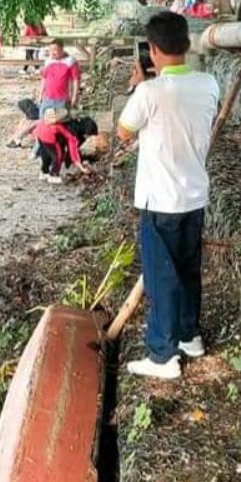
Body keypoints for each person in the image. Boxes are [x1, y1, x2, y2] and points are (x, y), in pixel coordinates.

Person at [117, 12, 219, 379]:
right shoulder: (208, 84)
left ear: (154, 50)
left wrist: (140, 85)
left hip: (161, 200)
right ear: (188, 45)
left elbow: (124, 132)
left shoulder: (148, 92)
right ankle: (190, 335)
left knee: (162, 277)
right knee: (189, 269)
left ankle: (163, 354)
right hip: (195, 196)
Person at [35, 109, 93, 184]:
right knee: (58, 155)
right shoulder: (71, 134)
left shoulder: (66, 121)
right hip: (49, 138)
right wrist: (82, 168)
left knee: (46, 154)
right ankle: (53, 175)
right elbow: (73, 153)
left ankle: (44, 172)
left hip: (40, 133)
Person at [38, 38, 81, 114]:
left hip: (62, 99)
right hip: (47, 98)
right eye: (50, 50)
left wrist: (74, 96)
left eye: (55, 49)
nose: (52, 52)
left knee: (61, 121)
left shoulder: (70, 61)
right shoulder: (48, 61)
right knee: (43, 120)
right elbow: (44, 79)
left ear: (62, 49)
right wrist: (40, 94)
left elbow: (75, 80)